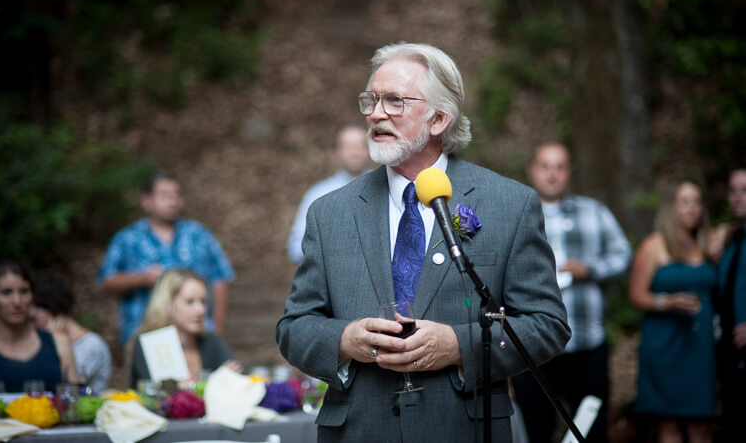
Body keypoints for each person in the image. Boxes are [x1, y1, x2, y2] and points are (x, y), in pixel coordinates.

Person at [276, 42, 570, 442]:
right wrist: (344, 340)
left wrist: (458, 345)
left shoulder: (510, 204)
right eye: (372, 100)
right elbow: (295, 328)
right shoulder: (329, 213)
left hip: (463, 429)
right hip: (360, 431)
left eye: (395, 101)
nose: (376, 113)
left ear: (438, 120)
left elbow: (547, 325)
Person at [512, 142, 631, 442]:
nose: (552, 174)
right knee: (535, 427)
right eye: (545, 166)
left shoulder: (594, 211)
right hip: (534, 345)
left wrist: (590, 269)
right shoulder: (515, 213)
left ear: (569, 173)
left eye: (560, 167)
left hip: (587, 342)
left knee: (591, 427)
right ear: (532, 171)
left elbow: (623, 255)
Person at [97, 172, 235, 345]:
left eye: (176, 195)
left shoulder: (199, 235)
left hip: (197, 337)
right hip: (144, 336)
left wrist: (218, 329)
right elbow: (105, 282)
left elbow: (221, 277)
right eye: (164, 196)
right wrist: (141, 279)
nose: (173, 201)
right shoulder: (127, 239)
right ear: (147, 201)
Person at [628, 180, 716, 443]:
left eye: (697, 202)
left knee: (701, 424)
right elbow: (635, 294)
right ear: (671, 207)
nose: (692, 209)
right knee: (669, 425)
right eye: (684, 202)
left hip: (700, 346)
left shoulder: (708, 243)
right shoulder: (653, 246)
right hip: (664, 344)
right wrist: (667, 302)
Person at [129, 268, 242, 388]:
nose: (201, 310)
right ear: (168, 305)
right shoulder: (150, 345)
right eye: (190, 302)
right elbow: (156, 397)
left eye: (203, 302)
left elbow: (239, 380)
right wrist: (215, 381)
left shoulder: (211, 341)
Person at [287, 124, 370, 264]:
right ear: (337, 152)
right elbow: (296, 246)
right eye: (348, 146)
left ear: (369, 150)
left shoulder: (384, 186)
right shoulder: (319, 194)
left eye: (360, 145)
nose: (355, 152)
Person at [0, 260, 82, 392]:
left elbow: (75, 400)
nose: (17, 301)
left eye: (24, 291)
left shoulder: (58, 342)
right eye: (6, 293)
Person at [31, 275, 112, 394]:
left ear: (51, 311)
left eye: (34, 320)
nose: (31, 326)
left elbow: (70, 386)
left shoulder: (91, 344)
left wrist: (53, 340)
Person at [711, 168, 746, 441]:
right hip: (729, 350)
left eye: (744, 190)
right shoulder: (732, 239)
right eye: (733, 191)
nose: (737, 197)